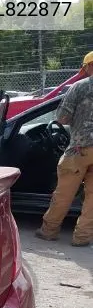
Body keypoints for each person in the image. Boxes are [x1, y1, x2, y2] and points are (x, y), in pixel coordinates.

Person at [35, 51, 93, 247]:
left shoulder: (79, 87)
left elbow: (62, 118)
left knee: (64, 194)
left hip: (79, 149)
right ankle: (82, 237)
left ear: (88, 67)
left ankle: (49, 231)